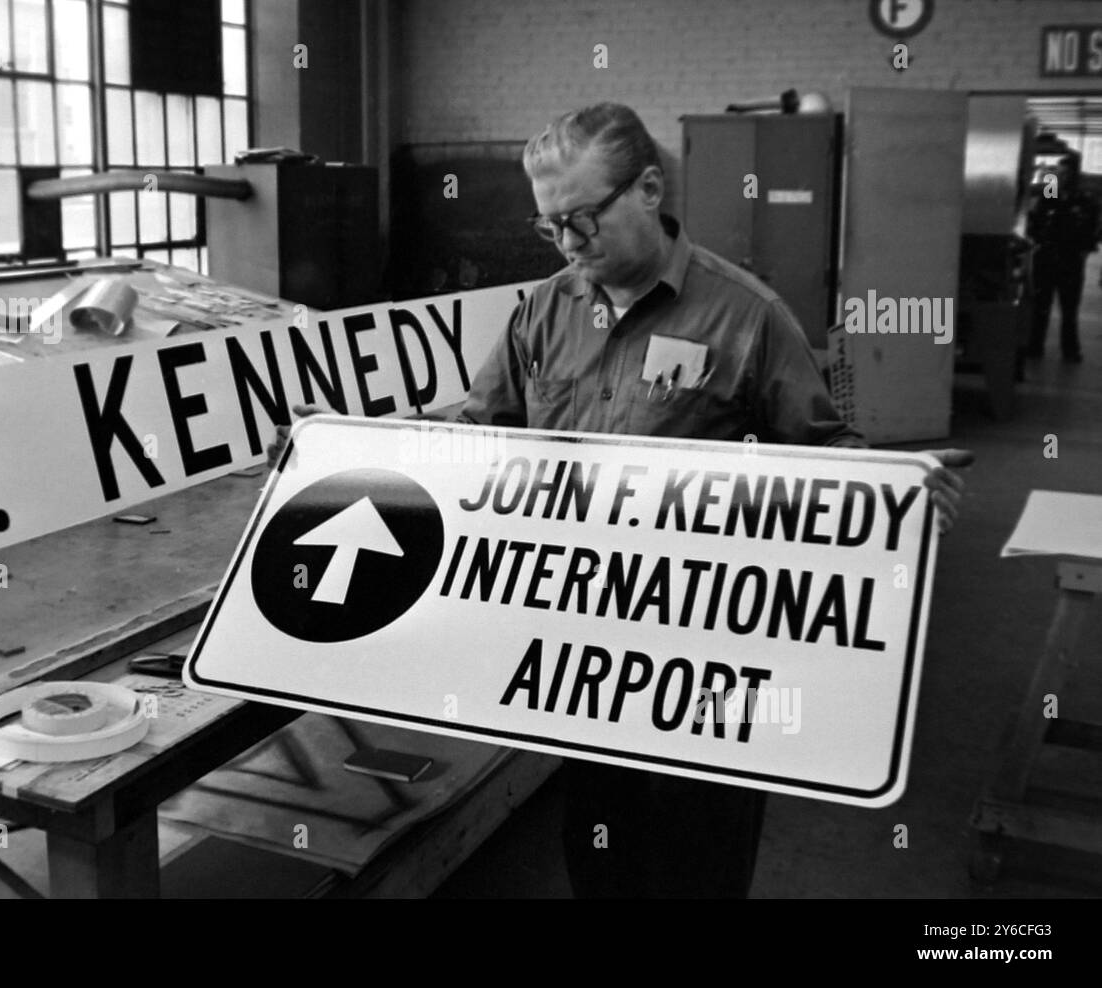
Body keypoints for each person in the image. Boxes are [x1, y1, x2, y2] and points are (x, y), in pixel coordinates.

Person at [269, 102, 971, 898]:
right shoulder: (541, 313)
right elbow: (471, 441)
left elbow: (819, 459)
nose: (567, 246)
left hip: (711, 664)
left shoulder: (747, 318)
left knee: (697, 866)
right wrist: (340, 451)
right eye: (549, 228)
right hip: (585, 657)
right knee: (602, 858)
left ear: (646, 189)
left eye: (581, 221)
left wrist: (899, 489)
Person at [1026, 153, 1099, 363]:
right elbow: (1039, 216)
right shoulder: (1052, 188)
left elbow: (1091, 229)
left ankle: (1070, 350)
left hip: (1069, 258)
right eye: (1061, 171)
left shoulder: (1084, 197)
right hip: (1049, 256)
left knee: (1069, 309)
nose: (1063, 175)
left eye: (1067, 172)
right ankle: (1035, 345)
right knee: (1041, 305)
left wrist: (1084, 250)